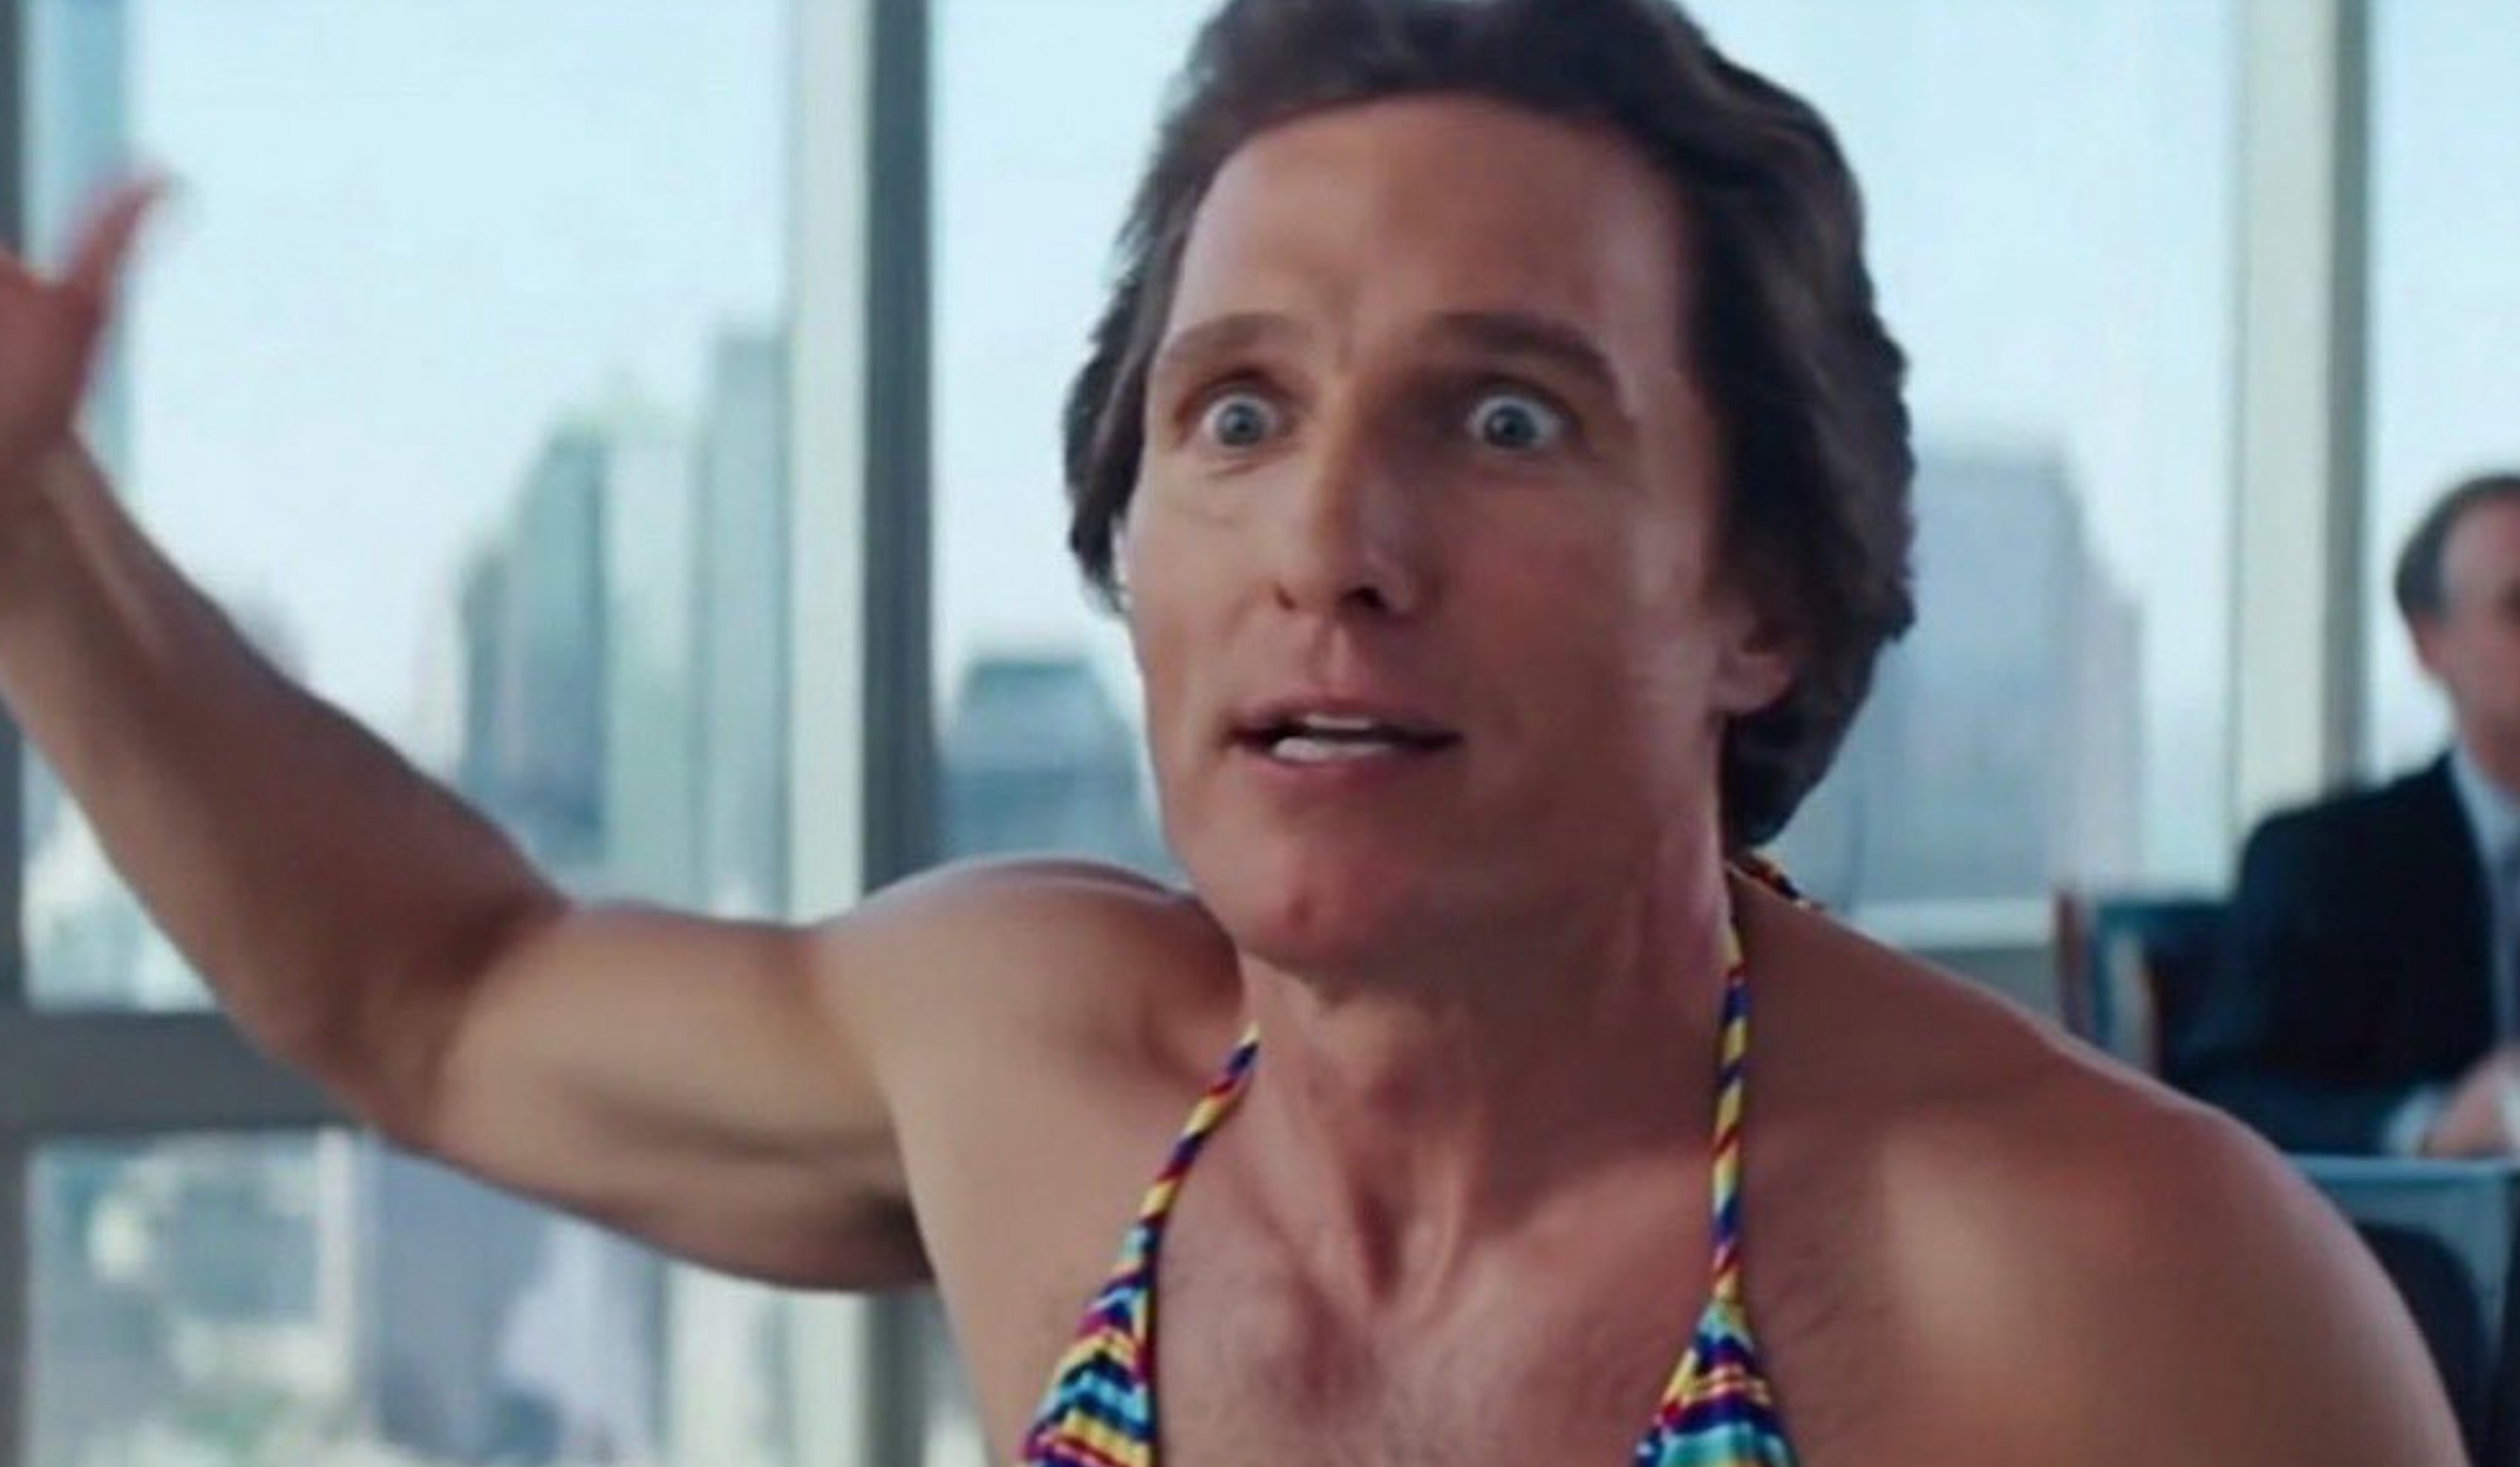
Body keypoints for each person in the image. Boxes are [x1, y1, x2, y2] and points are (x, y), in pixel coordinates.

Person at [3, 0, 2458, 1461]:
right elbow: (436, 990)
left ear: (1761, 599)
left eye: (1504, 420)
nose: (1332, 546)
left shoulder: (2100, 1282)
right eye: (1240, 414)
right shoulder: (1041, 1069)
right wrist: (28, 536)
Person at [2192, 472, 2520, 1160]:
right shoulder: (2326, 862)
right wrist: (2429, 1129)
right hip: (2407, 1227)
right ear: (2430, 642)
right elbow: (2225, 1094)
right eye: (2517, 608)